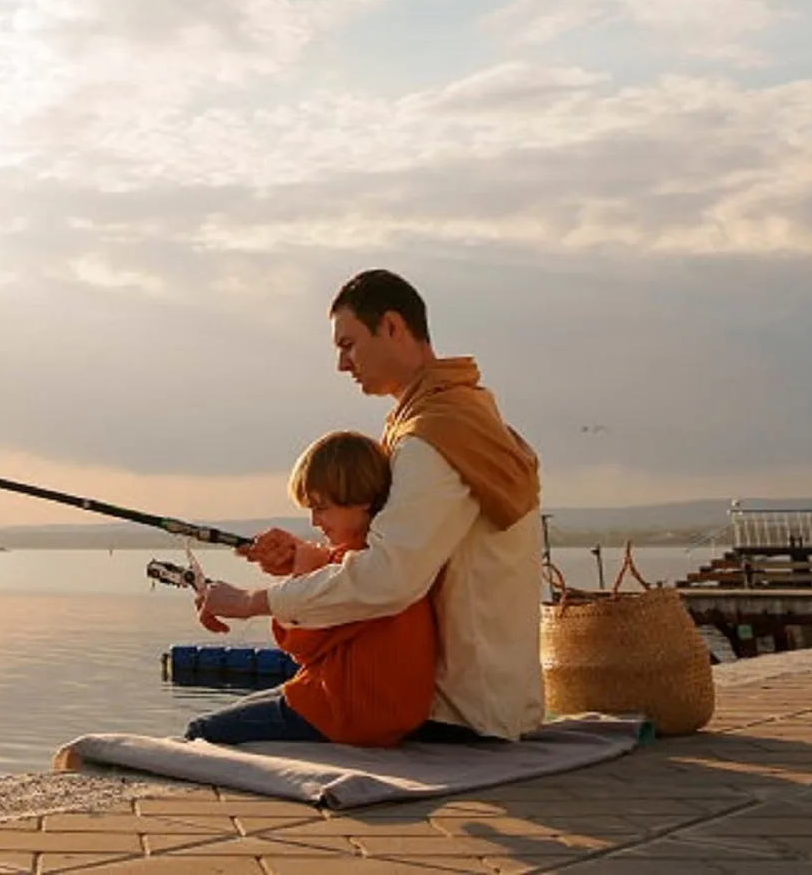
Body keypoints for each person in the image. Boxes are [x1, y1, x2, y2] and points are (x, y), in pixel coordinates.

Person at [194, 269, 547, 743]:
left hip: (459, 714)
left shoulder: (433, 438)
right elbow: (404, 551)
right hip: (489, 703)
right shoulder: (464, 415)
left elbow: (388, 578)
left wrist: (250, 602)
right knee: (249, 712)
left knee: (205, 734)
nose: (342, 364)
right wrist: (309, 557)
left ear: (393, 327)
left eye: (349, 344)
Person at [184, 430, 438, 748]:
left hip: (351, 714)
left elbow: (301, 647)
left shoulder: (365, 574)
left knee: (201, 730)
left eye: (321, 508)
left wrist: (301, 574)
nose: (315, 522)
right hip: (377, 710)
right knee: (244, 707)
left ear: (362, 500)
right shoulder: (383, 559)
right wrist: (301, 562)